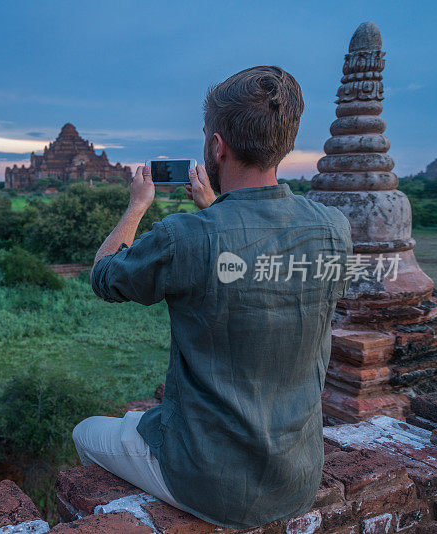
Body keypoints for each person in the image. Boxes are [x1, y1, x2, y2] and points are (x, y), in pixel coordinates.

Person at [73, 66, 353, 529]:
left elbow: (105, 275)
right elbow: (256, 262)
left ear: (216, 146)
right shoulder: (333, 228)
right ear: (284, 142)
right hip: (298, 476)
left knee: (86, 433)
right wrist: (215, 208)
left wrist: (136, 206)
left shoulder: (184, 237)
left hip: (208, 480)